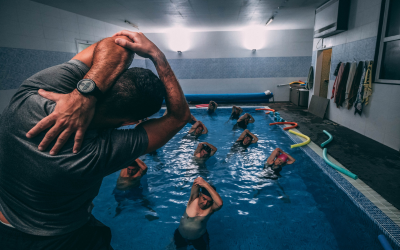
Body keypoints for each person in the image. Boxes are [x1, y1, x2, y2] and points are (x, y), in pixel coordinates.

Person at [0, 31, 191, 249]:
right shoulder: (92, 154)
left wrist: (85, 93)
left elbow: (117, 44)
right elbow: (179, 117)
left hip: (6, 220)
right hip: (58, 237)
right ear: (131, 121)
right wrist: (158, 57)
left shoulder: (35, 94)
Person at [174, 177, 223, 250]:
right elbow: (197, 181)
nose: (205, 203)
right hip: (181, 235)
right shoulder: (193, 199)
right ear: (200, 194)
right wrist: (202, 182)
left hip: (199, 238)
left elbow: (220, 204)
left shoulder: (210, 209)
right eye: (204, 198)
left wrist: (206, 184)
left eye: (209, 201)